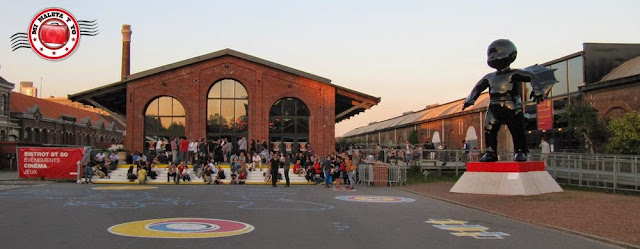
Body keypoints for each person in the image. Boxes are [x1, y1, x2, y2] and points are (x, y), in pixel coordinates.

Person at [462, 39, 554, 162]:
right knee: (489, 128)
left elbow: (532, 76)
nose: (493, 57)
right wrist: (470, 99)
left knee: (516, 129)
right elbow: (478, 87)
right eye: (490, 54)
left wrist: (538, 89)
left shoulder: (514, 73)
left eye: (496, 53)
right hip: (494, 106)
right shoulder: (489, 77)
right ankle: (491, 152)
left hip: (511, 105)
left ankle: (520, 151)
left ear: (510, 55)